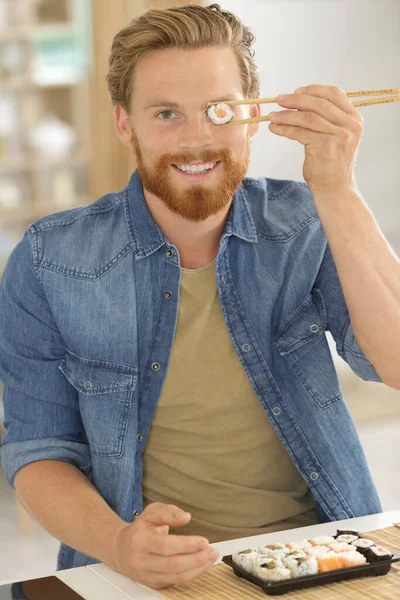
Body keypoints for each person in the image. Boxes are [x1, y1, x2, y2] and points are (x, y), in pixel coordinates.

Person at [0, 3, 399, 592]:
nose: (196, 140)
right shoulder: (48, 259)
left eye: (220, 110)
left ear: (254, 117)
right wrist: (118, 543)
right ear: (123, 124)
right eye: (165, 113)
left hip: (319, 555)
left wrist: (336, 188)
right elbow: (36, 449)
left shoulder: (305, 221)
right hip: (146, 574)